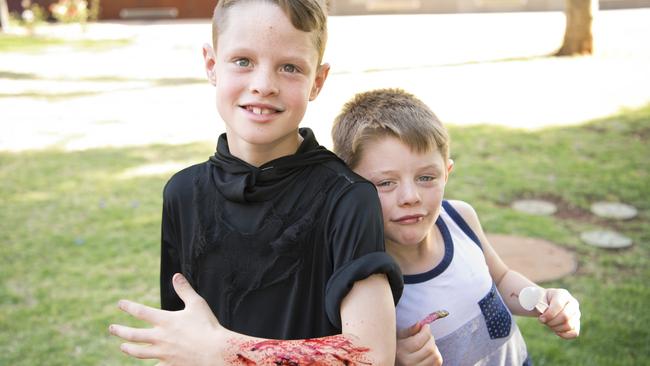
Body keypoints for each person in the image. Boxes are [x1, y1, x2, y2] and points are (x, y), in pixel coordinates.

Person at [108, 1, 403, 365]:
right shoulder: (183, 194)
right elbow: (183, 345)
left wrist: (225, 351)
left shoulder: (347, 198)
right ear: (212, 65)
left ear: (318, 81)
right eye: (243, 61)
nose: (263, 85)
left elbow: (371, 356)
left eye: (290, 67)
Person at [331, 88, 581, 366]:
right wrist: (393, 356)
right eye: (386, 183)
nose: (411, 197)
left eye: (426, 177)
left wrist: (545, 300)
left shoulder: (459, 217)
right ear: (348, 188)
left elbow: (500, 279)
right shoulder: (365, 283)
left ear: (446, 173)